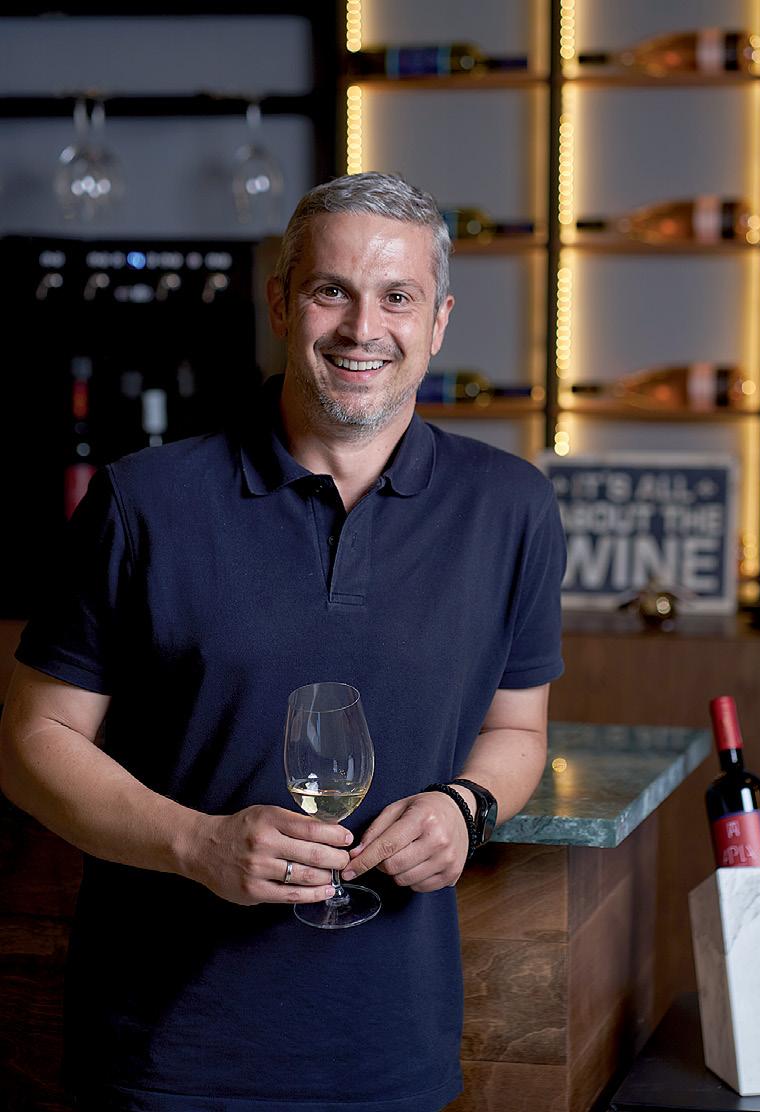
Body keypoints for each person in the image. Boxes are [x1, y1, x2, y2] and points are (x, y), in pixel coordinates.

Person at [0, 171, 566, 1112]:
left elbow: (518, 730)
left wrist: (466, 807)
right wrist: (198, 844)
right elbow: (30, 743)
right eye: (331, 291)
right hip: (166, 1054)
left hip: (391, 1053)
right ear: (281, 303)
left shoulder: (512, 509)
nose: (362, 328)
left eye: (398, 297)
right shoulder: (145, 501)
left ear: (438, 322)